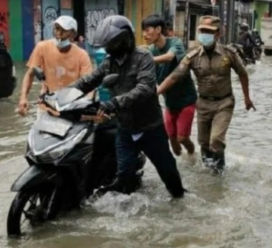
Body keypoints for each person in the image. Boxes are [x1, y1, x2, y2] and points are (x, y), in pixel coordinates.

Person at [70, 15, 185, 198]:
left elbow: (145, 88)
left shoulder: (143, 57)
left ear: (122, 41)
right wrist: (61, 94)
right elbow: (88, 81)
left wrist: (115, 102)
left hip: (150, 128)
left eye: (110, 44)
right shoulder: (109, 63)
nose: (107, 49)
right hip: (125, 128)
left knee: (169, 174)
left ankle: (180, 203)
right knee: (124, 176)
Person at [157, 16, 255, 173]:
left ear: (218, 34)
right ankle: (208, 174)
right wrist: (157, 91)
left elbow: (243, 74)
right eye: (202, 31)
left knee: (215, 140)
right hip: (203, 104)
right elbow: (175, 76)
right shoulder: (192, 57)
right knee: (203, 142)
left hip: (224, 103)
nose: (204, 34)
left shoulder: (228, 54)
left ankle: (219, 173)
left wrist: (247, 98)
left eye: (209, 31)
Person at [142, 15, 198, 156]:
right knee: (172, 140)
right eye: (143, 31)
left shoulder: (175, 43)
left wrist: (147, 60)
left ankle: (193, 156)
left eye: (147, 30)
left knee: (182, 138)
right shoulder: (150, 50)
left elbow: (169, 57)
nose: (144, 34)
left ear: (158, 29)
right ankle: (181, 166)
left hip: (186, 100)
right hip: (169, 102)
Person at [17, 16, 92, 116]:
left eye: (64, 30)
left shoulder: (82, 55)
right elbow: (30, 74)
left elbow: (89, 84)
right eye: (57, 28)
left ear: (73, 34)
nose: (59, 34)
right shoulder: (42, 47)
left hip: (71, 107)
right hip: (46, 106)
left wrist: (86, 104)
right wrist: (23, 98)